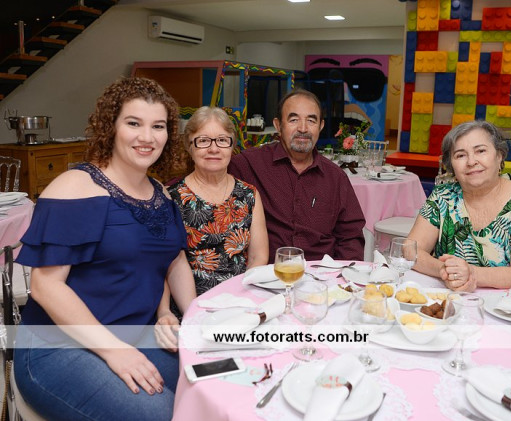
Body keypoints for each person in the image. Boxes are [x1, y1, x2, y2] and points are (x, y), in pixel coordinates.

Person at [13, 77, 196, 421]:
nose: (147, 137)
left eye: (158, 126)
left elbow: (170, 260)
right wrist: (114, 350)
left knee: (211, 385)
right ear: (111, 127)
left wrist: (179, 315)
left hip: (135, 335)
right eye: (133, 123)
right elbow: (46, 286)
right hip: (60, 346)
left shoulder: (160, 192)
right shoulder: (74, 188)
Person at [408, 120, 511, 295]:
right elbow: (410, 249)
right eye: (460, 155)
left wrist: (471, 274)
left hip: (509, 304)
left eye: (480, 151)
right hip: (451, 297)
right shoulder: (443, 196)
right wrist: (446, 271)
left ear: (499, 155)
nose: (471, 161)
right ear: (450, 165)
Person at [228, 89, 366, 262]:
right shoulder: (249, 165)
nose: (303, 128)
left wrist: (342, 275)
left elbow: (351, 237)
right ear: (278, 125)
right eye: (293, 120)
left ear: (321, 126)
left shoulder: (335, 177)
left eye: (311, 120)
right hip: (268, 272)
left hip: (320, 272)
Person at [168, 106, 269, 297]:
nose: (213, 149)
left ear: (232, 146)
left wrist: (242, 298)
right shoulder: (171, 198)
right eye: (203, 141)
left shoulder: (249, 194)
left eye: (222, 140)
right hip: (190, 301)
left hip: (241, 298)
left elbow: (258, 256)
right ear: (189, 146)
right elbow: (168, 264)